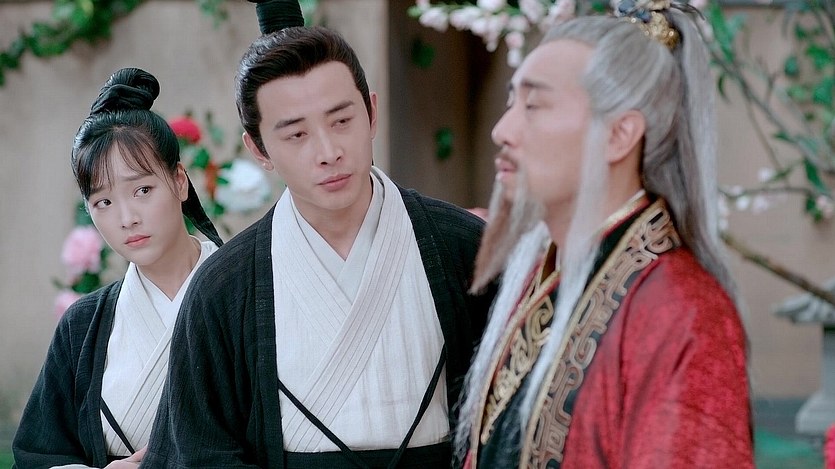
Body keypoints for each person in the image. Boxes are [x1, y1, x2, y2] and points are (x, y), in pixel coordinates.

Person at [142, 1, 495, 467]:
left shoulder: (465, 247)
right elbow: (202, 451)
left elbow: (517, 414)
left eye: (342, 120)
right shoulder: (223, 287)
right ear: (259, 149)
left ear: (372, 113)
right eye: (296, 135)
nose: (328, 151)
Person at [455, 1, 754, 467]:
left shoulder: (681, 311)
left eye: (533, 106)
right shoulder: (543, 275)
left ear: (619, 135)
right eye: (512, 102)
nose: (502, 130)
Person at [12, 68, 224, 468]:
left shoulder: (245, 292)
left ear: (180, 181)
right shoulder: (83, 325)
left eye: (142, 190)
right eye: (104, 202)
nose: (127, 218)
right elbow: (37, 456)